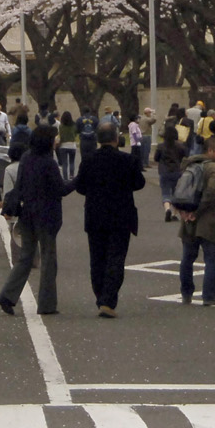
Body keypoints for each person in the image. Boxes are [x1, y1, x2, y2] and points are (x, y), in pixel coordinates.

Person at [0, 124, 72, 316]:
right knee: (48, 259)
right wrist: (79, 180)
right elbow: (60, 189)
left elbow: (19, 186)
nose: (56, 140)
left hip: (27, 214)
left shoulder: (26, 158)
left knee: (25, 258)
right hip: (47, 216)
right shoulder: (49, 163)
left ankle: (7, 294)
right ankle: (46, 304)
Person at [73, 123, 145, 316]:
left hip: (95, 214)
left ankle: (100, 297)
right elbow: (139, 183)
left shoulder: (88, 160)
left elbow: (80, 187)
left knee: (97, 258)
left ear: (98, 139)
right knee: (116, 257)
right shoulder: (127, 160)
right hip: (121, 214)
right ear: (116, 139)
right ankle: (108, 299)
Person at [177, 134, 215, 306]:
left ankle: (186, 292)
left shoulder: (190, 164)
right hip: (210, 220)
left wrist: (186, 212)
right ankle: (208, 294)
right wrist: (198, 212)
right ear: (210, 150)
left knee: (187, 258)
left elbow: (180, 191)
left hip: (188, 219)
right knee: (211, 259)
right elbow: (212, 194)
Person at [154, 125, 185, 225]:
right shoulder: (180, 146)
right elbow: (184, 156)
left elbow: (156, 158)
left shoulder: (161, 146)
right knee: (176, 193)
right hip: (176, 171)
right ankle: (175, 214)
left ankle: (167, 209)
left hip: (164, 171)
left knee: (165, 192)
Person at [57, 111, 79, 181]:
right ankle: (71, 176)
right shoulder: (74, 125)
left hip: (63, 146)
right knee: (72, 162)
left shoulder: (61, 126)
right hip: (72, 145)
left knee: (64, 163)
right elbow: (75, 134)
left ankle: (65, 178)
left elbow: (61, 136)